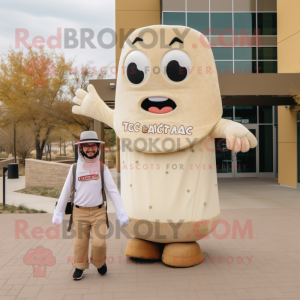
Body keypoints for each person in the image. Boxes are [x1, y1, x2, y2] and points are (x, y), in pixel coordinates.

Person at [52, 131, 129, 280]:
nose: (90, 149)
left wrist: (121, 213)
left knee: (99, 243)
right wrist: (58, 212)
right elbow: (66, 190)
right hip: (79, 213)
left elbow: (113, 191)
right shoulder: (74, 168)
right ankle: (79, 267)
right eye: (86, 146)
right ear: (80, 148)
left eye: (93, 146)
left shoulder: (102, 168)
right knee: (80, 244)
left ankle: (99, 263)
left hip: (98, 212)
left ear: (98, 148)